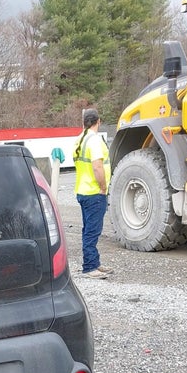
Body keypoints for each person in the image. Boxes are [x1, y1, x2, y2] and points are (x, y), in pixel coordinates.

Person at [73, 108, 112, 279]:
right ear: (98, 121)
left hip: (83, 191)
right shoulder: (94, 140)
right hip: (94, 192)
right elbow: (97, 166)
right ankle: (90, 267)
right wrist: (103, 187)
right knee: (92, 231)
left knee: (88, 229)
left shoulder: (80, 140)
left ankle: (94, 262)